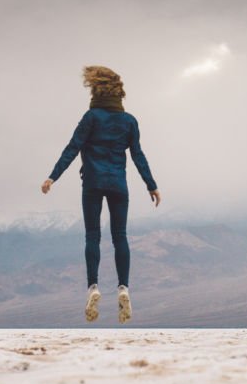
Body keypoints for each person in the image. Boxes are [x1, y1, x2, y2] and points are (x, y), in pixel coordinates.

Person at [41, 65, 161, 323]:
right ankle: (123, 288)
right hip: (118, 184)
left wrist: (53, 176)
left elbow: (72, 148)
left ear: (96, 92)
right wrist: (151, 185)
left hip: (93, 183)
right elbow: (138, 155)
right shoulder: (129, 121)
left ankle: (93, 287)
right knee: (120, 236)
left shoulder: (91, 118)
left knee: (92, 236)